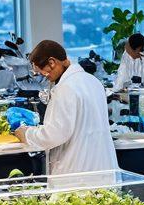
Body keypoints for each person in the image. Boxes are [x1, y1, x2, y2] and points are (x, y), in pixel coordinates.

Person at [14, 39, 118, 175]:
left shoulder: (65, 88)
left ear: (52, 62)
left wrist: (27, 133)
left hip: (76, 171)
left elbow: (55, 134)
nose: (45, 78)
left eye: (42, 72)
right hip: (103, 167)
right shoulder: (93, 81)